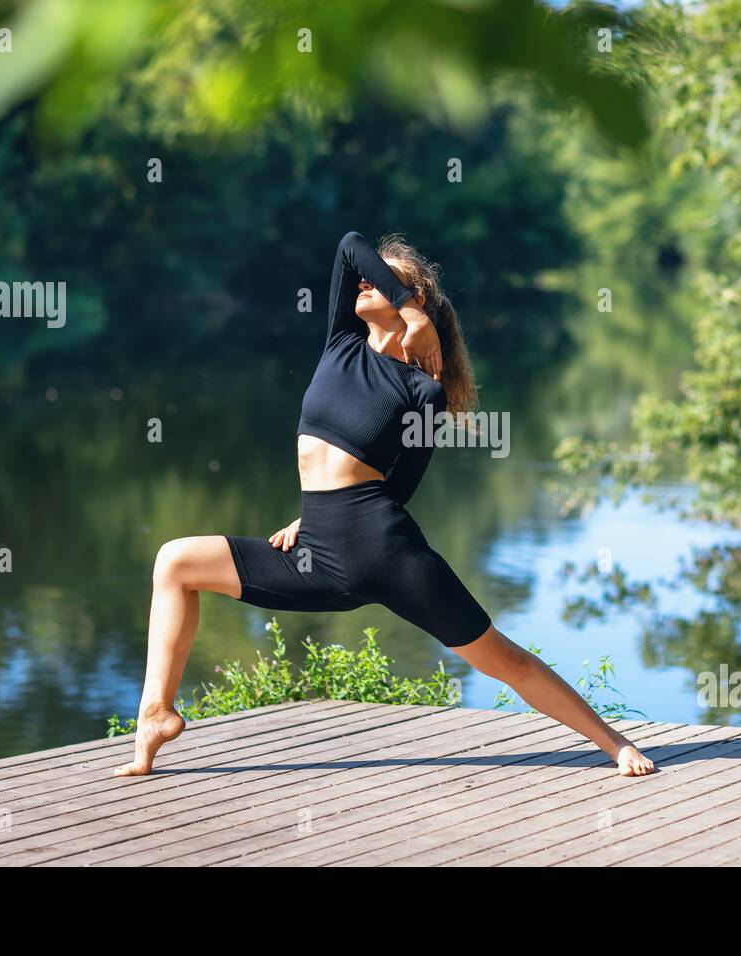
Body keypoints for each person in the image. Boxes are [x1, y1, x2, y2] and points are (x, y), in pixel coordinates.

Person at [115, 231, 656, 778]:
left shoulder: (423, 390)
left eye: (388, 278)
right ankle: (156, 714)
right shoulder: (341, 341)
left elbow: (401, 484)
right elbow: (350, 245)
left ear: (416, 298)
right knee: (175, 561)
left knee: (502, 658)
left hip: (384, 549)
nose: (367, 279)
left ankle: (613, 743)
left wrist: (416, 319)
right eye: (374, 277)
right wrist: (309, 516)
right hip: (317, 553)